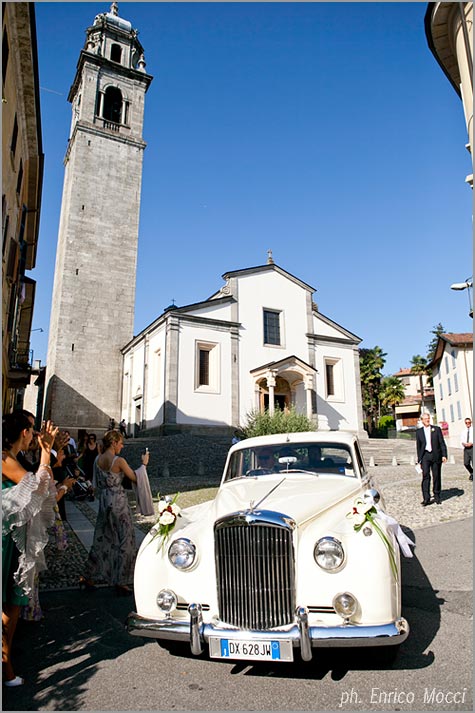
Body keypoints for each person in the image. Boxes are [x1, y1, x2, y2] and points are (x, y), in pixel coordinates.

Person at [2, 414, 58, 686]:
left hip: (12, 539)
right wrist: (46, 453)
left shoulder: (8, 457)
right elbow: (36, 489)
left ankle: (7, 663)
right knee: (8, 600)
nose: (34, 435)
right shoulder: (4, 458)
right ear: (24, 433)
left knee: (12, 601)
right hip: (4, 541)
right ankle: (6, 667)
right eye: (32, 430)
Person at [80, 430, 149, 596]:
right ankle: (121, 580)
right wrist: (144, 464)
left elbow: (97, 481)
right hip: (118, 501)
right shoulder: (119, 461)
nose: (122, 446)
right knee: (125, 538)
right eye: (120, 443)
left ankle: (87, 575)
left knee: (102, 538)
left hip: (104, 500)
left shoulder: (98, 459)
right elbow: (134, 477)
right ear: (113, 443)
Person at [416, 412, 448, 506]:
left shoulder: (436, 429)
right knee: (425, 476)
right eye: (425, 418)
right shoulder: (419, 432)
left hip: (436, 455)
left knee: (436, 476)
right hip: (425, 455)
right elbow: (419, 447)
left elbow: (442, 443)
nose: (427, 420)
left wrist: (444, 455)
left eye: (428, 418)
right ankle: (426, 498)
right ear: (422, 420)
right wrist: (419, 460)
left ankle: (437, 495)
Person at [460, 417, 473, 481]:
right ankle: (472, 472)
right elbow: (462, 440)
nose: (468, 424)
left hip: (472, 447)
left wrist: (471, 443)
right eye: (466, 423)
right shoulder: (463, 431)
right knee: (466, 463)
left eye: (469, 422)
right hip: (466, 448)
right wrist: (464, 444)